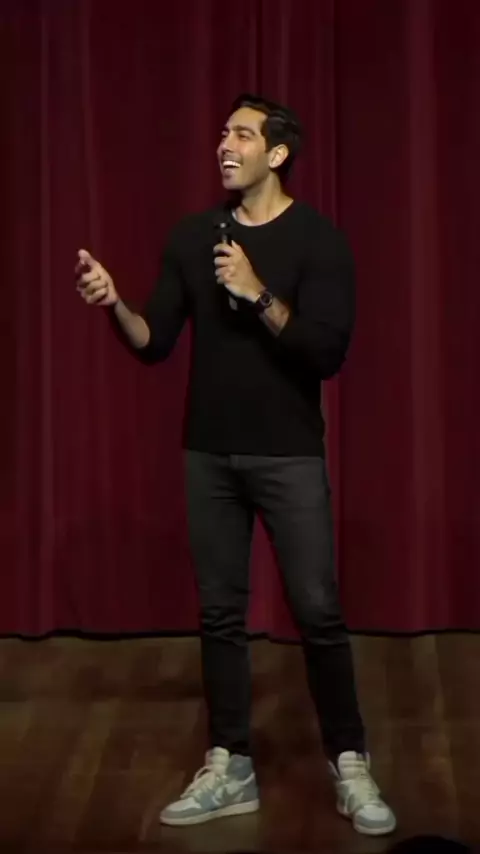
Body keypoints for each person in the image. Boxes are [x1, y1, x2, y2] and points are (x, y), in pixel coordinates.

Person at [75, 93, 396, 837]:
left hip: (288, 454)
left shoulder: (319, 241)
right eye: (223, 133)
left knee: (317, 609)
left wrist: (257, 294)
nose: (225, 144)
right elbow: (154, 341)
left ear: (276, 154)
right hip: (209, 456)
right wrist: (114, 303)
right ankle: (231, 764)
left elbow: (326, 351)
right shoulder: (194, 238)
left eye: (243, 135)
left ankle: (349, 761)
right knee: (219, 614)